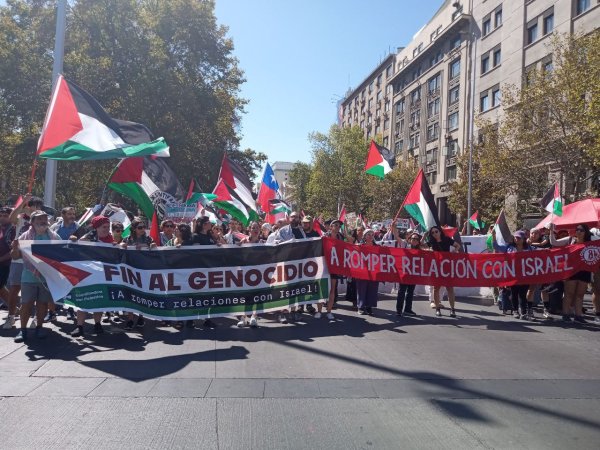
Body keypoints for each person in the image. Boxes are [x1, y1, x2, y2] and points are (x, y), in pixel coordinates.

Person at [12, 210, 60, 342]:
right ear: (32, 222)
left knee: (42, 304)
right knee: (26, 304)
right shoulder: (24, 237)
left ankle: (39, 327)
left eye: (44, 218)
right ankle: (23, 330)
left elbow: (63, 252)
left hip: (46, 277)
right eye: (38, 219)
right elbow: (15, 257)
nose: (42, 221)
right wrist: (15, 248)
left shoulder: (54, 237)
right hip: (28, 276)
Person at [70, 216, 114, 337]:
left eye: (108, 227)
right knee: (83, 298)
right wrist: (75, 240)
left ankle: (97, 324)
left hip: (102, 274)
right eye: (104, 227)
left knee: (100, 298)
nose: (107, 229)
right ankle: (79, 326)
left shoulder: (111, 239)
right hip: (86, 274)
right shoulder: (87, 238)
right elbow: (75, 246)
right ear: (97, 227)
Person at [549, 223, 592, 323]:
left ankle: (578, 315)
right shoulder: (570, 239)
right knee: (569, 293)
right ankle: (566, 314)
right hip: (571, 270)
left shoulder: (591, 242)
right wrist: (551, 231)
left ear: (586, 232)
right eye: (577, 229)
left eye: (581, 230)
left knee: (580, 294)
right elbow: (553, 242)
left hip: (584, 270)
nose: (578, 232)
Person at [120, 218, 156, 329]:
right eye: (139, 227)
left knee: (142, 294)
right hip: (131, 270)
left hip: (144, 270)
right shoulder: (127, 239)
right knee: (131, 295)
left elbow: (154, 245)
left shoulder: (148, 238)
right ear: (134, 229)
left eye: (143, 227)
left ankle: (141, 317)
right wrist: (123, 245)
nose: (142, 229)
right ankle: (130, 319)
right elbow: (120, 246)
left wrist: (147, 246)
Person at [427, 225, 462, 318]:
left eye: (436, 231)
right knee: (436, 288)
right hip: (437, 267)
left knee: (450, 288)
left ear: (440, 231)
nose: (434, 234)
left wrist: (454, 251)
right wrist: (424, 236)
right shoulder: (431, 241)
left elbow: (458, 245)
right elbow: (421, 246)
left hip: (447, 267)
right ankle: (437, 308)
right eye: (432, 233)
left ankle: (452, 309)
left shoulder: (446, 239)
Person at [315, 219, 345, 321]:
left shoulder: (341, 237)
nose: (337, 227)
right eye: (335, 225)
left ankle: (329, 311)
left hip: (335, 266)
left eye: (339, 226)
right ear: (331, 227)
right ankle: (319, 311)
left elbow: (349, 244)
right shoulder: (324, 237)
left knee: (332, 289)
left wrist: (347, 232)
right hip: (324, 266)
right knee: (321, 289)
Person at [237, 221, 264, 327]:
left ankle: (254, 317)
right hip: (245, 274)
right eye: (253, 228)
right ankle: (243, 318)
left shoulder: (262, 243)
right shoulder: (244, 241)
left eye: (257, 228)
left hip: (258, 273)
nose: (255, 230)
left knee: (257, 296)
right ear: (249, 230)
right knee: (245, 297)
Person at [395, 231, 423, 317]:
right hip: (404, 273)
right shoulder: (405, 245)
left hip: (413, 274)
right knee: (401, 292)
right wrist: (393, 227)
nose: (414, 240)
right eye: (413, 238)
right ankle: (399, 310)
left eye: (416, 239)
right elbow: (396, 236)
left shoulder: (420, 250)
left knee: (410, 292)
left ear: (418, 241)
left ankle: (408, 309)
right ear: (409, 239)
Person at [355, 229, 380, 315]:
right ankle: (361, 307)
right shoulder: (359, 246)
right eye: (368, 234)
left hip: (373, 272)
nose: (370, 236)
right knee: (362, 289)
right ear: (364, 236)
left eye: (372, 235)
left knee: (372, 289)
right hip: (362, 271)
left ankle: (369, 306)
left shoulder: (377, 247)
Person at [0, 207, 16, 329]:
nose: (2, 217)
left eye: (6, 215)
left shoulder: (13, 229)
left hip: (6, 263)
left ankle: (14, 311)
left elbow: (13, 249)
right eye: (1, 215)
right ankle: (15, 309)